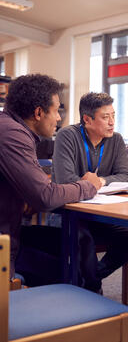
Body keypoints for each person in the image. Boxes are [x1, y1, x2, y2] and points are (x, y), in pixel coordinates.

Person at [0, 74, 98, 281]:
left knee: (78, 241)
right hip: (5, 246)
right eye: (56, 110)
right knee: (71, 272)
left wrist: (26, 197)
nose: (59, 118)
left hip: (12, 233)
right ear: (38, 112)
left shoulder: (8, 126)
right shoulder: (12, 135)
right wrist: (87, 186)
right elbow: (45, 195)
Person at [52, 92, 128, 292]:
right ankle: (91, 287)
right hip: (69, 213)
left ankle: (92, 278)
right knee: (83, 240)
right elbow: (65, 180)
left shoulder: (116, 140)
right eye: (105, 117)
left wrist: (99, 181)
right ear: (87, 119)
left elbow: (127, 177)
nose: (112, 122)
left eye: (113, 115)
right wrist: (91, 185)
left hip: (100, 213)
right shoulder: (67, 136)